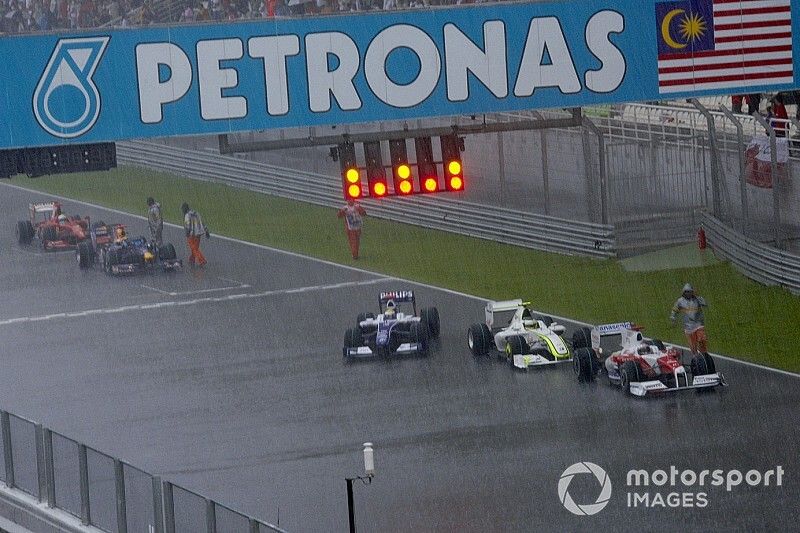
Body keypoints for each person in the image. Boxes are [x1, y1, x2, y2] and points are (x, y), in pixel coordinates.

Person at [670, 283, 708, 356]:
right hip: (688, 328)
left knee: (702, 339)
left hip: (698, 325)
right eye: (686, 292)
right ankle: (696, 358)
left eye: (689, 291)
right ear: (684, 292)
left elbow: (705, 303)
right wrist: (673, 318)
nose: (688, 293)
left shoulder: (697, 299)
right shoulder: (680, 301)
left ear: (692, 292)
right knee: (693, 346)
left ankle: (704, 355)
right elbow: (674, 310)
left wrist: (698, 297)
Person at [181, 202, 208, 266]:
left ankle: (202, 260)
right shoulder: (196, 213)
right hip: (198, 233)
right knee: (195, 247)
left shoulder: (187, 215)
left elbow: (187, 225)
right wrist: (206, 230)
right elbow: (202, 222)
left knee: (194, 248)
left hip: (192, 234)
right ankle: (192, 259)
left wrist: (187, 233)